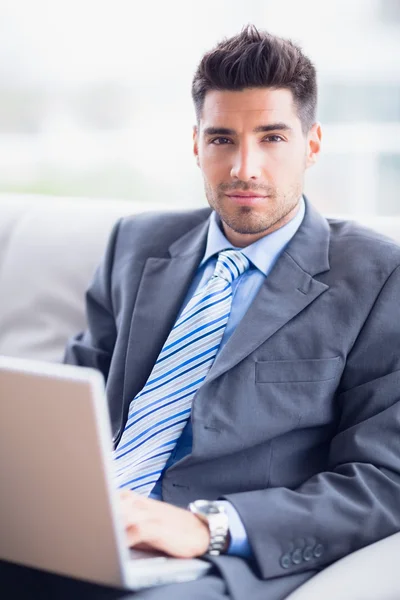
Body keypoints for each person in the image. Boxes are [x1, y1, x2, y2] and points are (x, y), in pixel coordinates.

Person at [64, 25, 400, 600]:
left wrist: (208, 527)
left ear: (311, 144)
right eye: (222, 139)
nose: (245, 167)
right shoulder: (135, 244)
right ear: (197, 144)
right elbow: (71, 403)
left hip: (216, 560)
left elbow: (383, 480)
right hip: (86, 530)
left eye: (272, 138)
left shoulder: (379, 277)